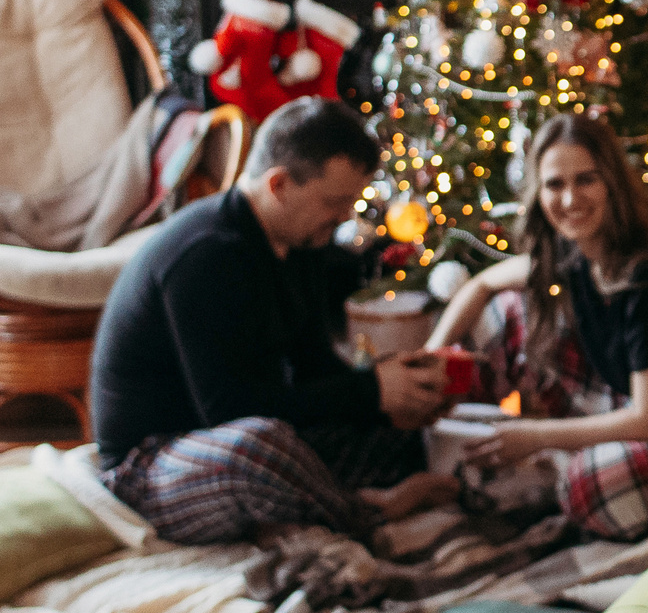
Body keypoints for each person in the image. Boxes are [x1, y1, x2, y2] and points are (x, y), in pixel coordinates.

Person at [92, 96, 454, 546]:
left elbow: (314, 369)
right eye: (334, 201)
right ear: (279, 184)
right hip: (156, 465)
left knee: (394, 441)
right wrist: (370, 390)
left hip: (246, 434)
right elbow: (231, 410)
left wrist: (389, 394)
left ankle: (324, 507)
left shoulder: (299, 242)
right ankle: (365, 516)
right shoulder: (208, 253)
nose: (344, 218)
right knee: (256, 444)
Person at [424, 113, 648, 541]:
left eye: (585, 180)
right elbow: (482, 284)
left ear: (612, 184)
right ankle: (482, 467)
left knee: (591, 490)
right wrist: (430, 359)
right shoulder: (573, 257)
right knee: (506, 311)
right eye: (555, 184)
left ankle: (542, 480)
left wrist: (536, 437)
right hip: (631, 414)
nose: (570, 200)